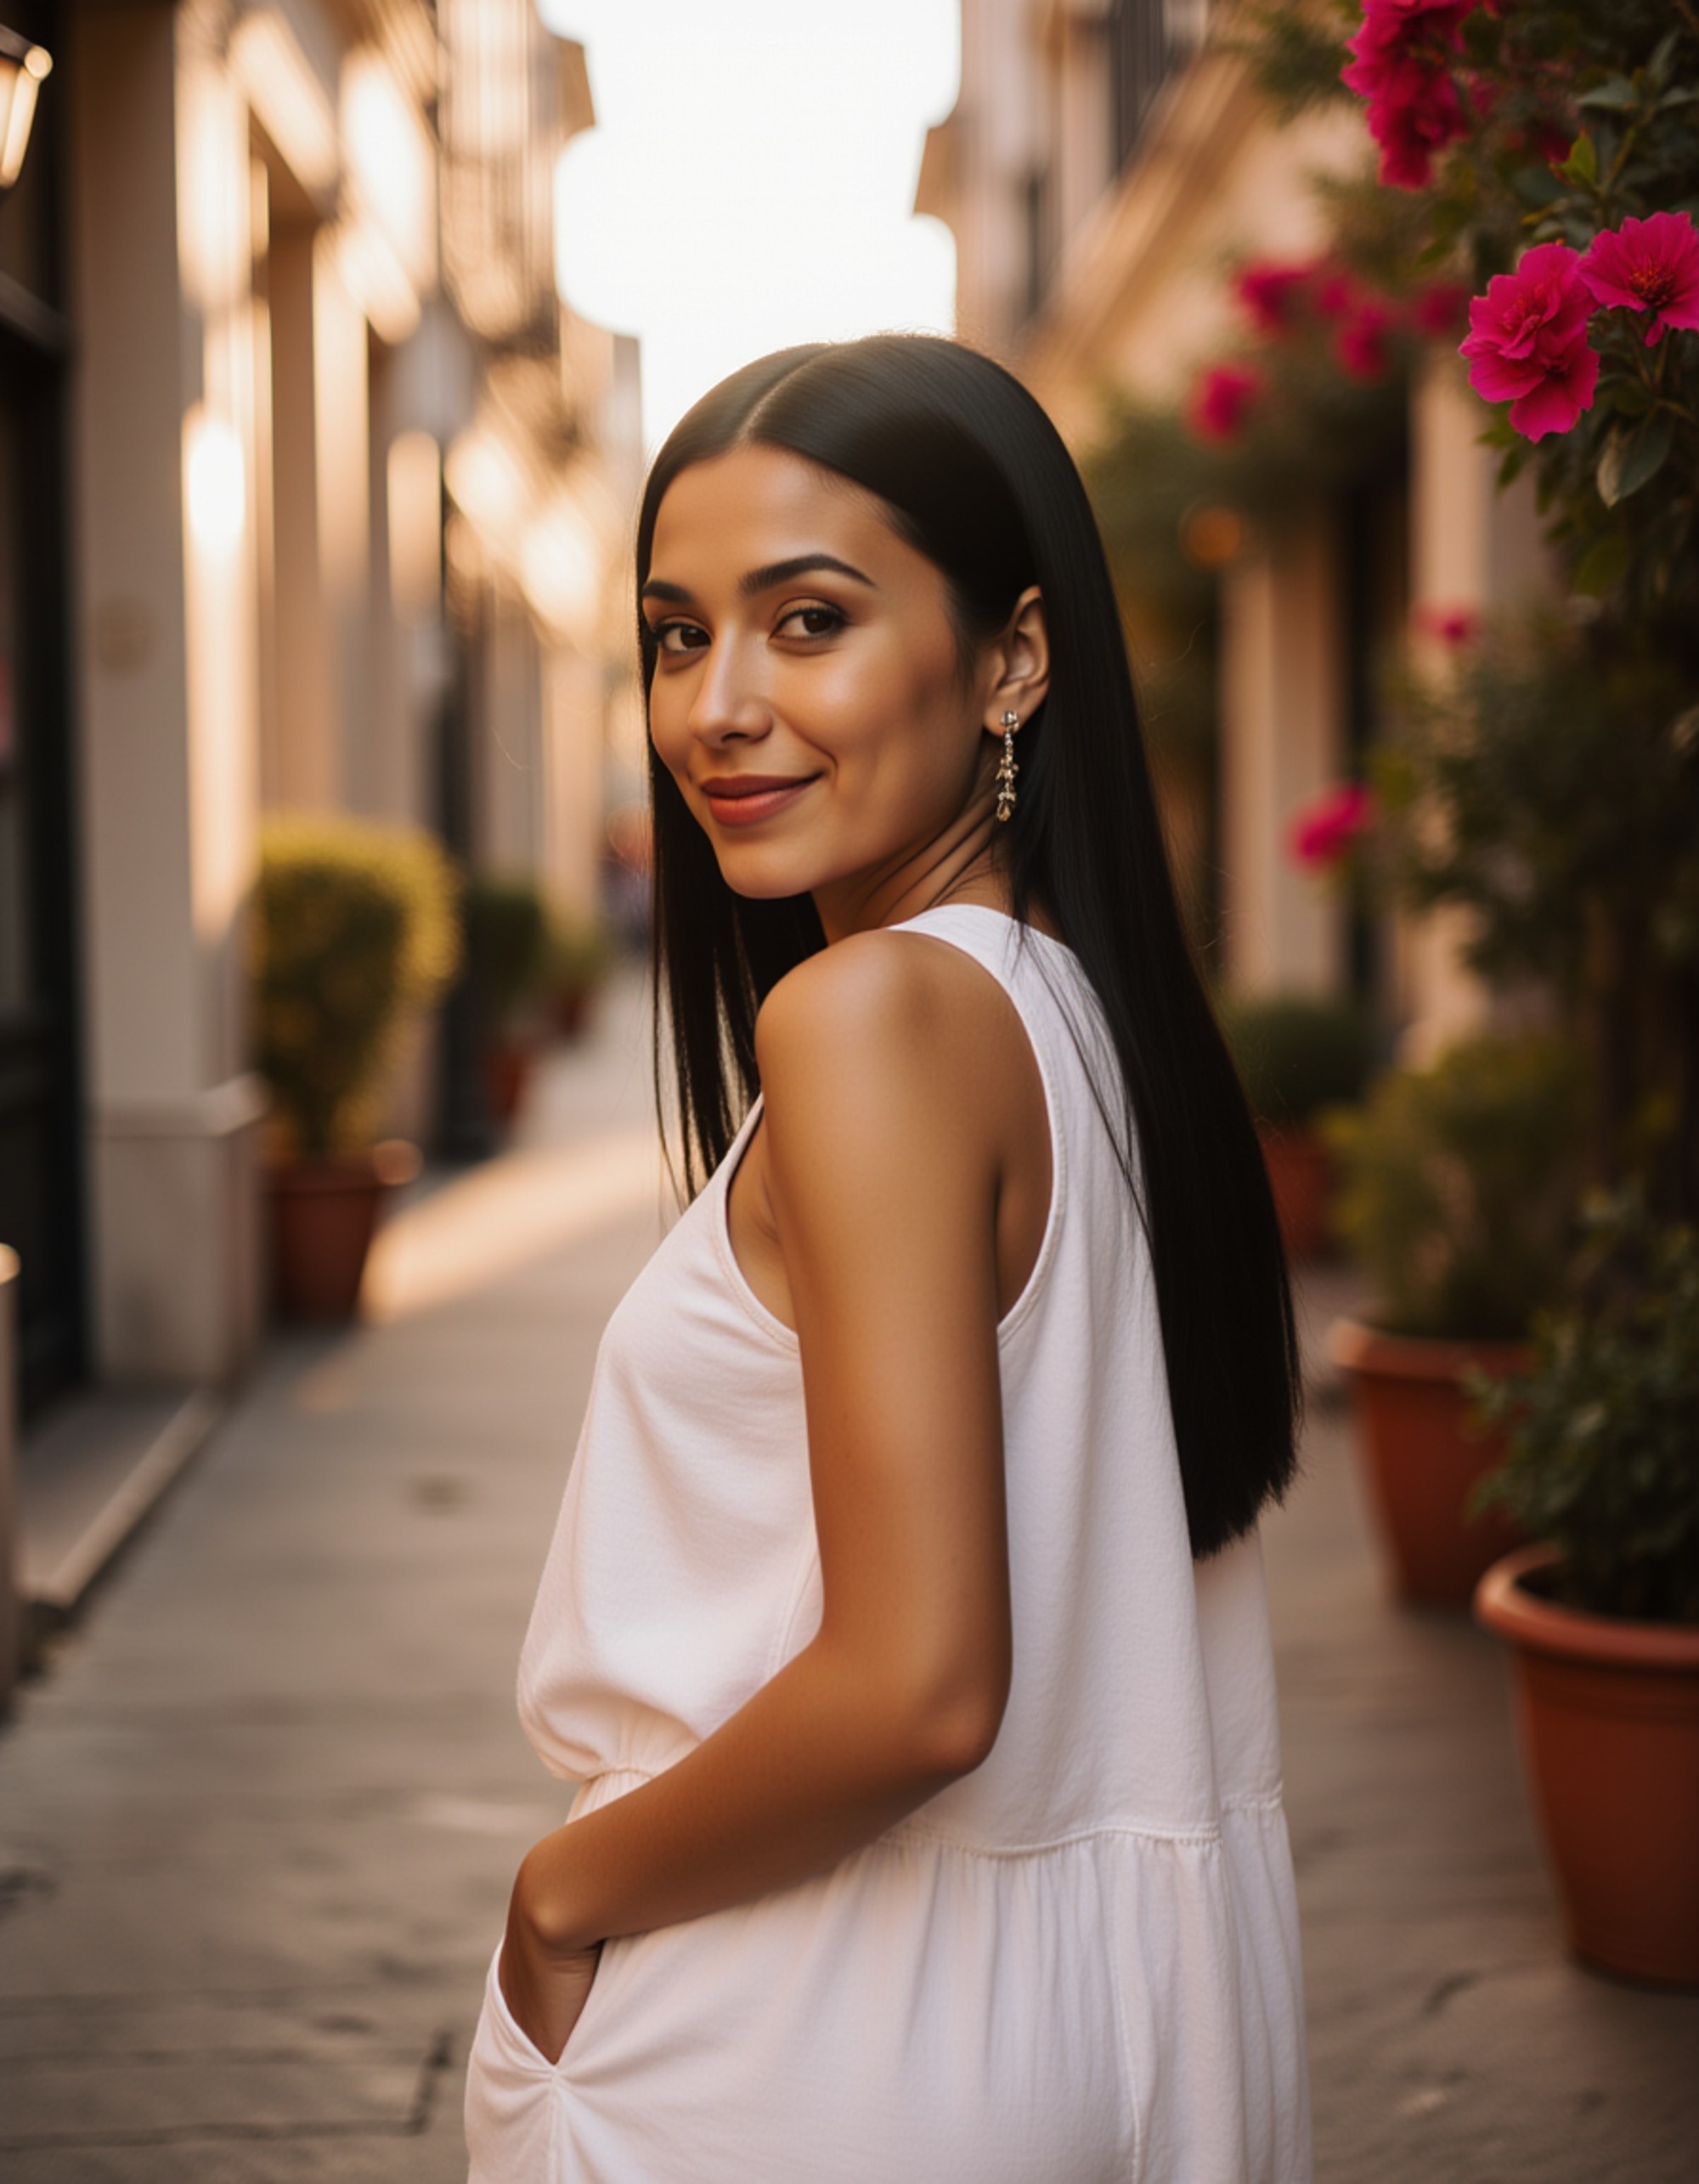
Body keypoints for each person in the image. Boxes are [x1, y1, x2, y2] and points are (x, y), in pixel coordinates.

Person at [464, 334, 1314, 2183]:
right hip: (1098, 2003)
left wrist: (555, 1895)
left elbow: (921, 1681)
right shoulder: (1080, 1015)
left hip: (820, 2020)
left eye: (808, 619)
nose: (717, 707)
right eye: (678, 634)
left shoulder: (867, 1026)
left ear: (1011, 654)